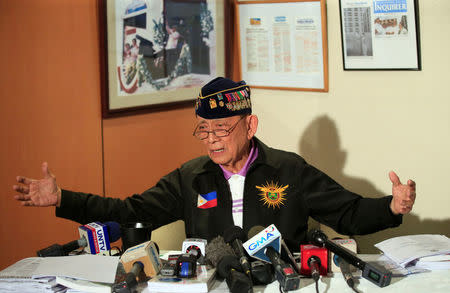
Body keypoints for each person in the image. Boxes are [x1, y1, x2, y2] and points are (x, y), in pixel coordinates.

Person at [12, 77, 416, 251]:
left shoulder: (290, 170)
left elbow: (348, 213)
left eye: (221, 129)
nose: (211, 141)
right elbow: (128, 212)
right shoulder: (191, 177)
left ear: (250, 125)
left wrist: (391, 207)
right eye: (203, 131)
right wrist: (63, 198)